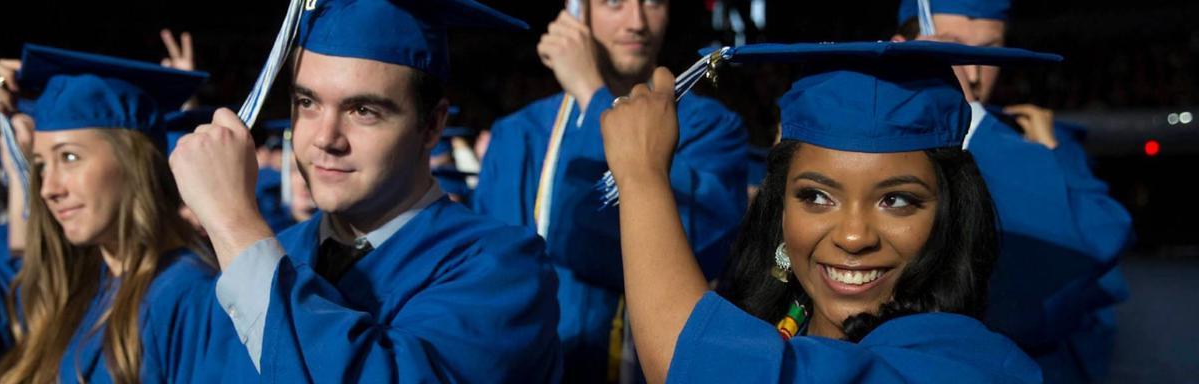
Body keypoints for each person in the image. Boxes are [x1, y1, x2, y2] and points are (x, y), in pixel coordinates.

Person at [598, 41, 1058, 383]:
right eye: (816, 196)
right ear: (778, 207)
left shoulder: (966, 366)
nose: (854, 236)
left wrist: (642, 176)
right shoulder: (771, 323)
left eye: (896, 200)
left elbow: (691, 365)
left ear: (950, 215)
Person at [168, 0, 563, 382]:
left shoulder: (502, 270)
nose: (325, 138)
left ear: (432, 126)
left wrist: (233, 224)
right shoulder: (270, 254)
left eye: (363, 111)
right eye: (307, 102)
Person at [0, 45, 251, 383]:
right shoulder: (72, 291)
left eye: (70, 157)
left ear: (132, 163)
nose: (48, 188)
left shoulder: (188, 296)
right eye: (40, 165)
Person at [473, 1, 748, 380]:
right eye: (614, 3)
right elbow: (493, 283)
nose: (637, 23)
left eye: (653, 3)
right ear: (575, 14)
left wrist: (592, 95)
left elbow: (695, 253)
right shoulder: (518, 135)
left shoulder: (708, 128)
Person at [893, 2, 1134, 381]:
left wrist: (1046, 157)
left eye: (990, 51)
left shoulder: (1036, 145)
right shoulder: (865, 139)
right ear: (901, 46)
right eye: (952, 45)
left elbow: (1101, 253)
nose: (973, 72)